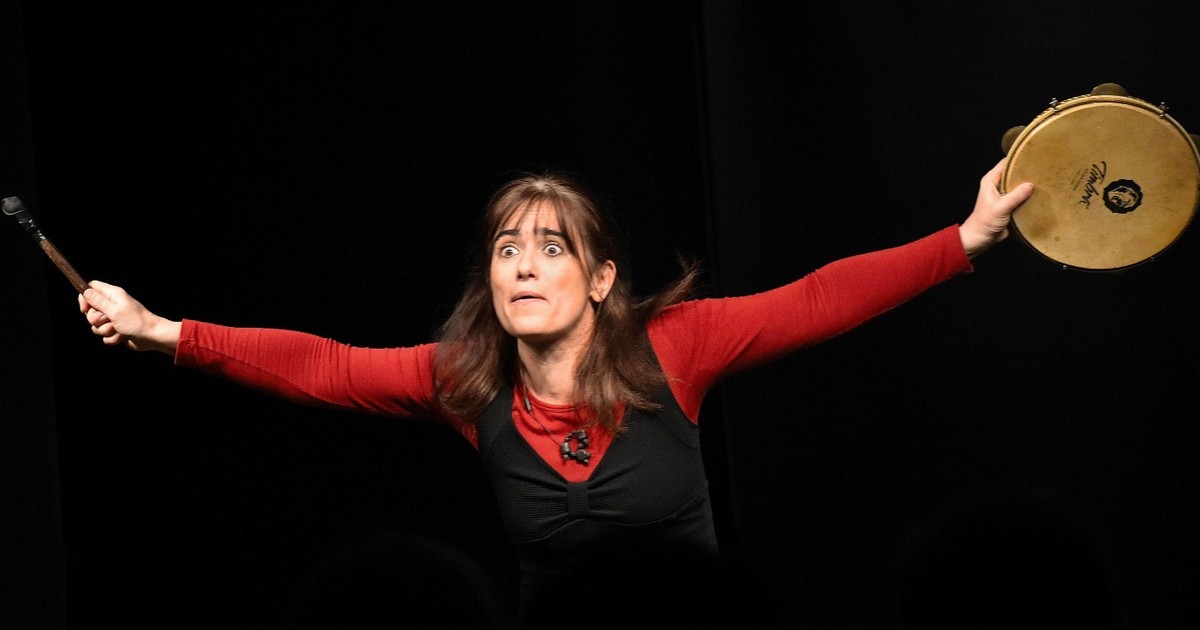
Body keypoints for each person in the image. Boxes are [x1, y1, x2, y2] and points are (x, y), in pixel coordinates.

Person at [78, 158, 1033, 628]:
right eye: (507, 250)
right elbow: (325, 365)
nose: (525, 267)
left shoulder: (676, 346)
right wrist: (164, 331)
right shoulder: (465, 380)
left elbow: (817, 299)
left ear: (601, 278)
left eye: (550, 248)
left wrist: (966, 240)